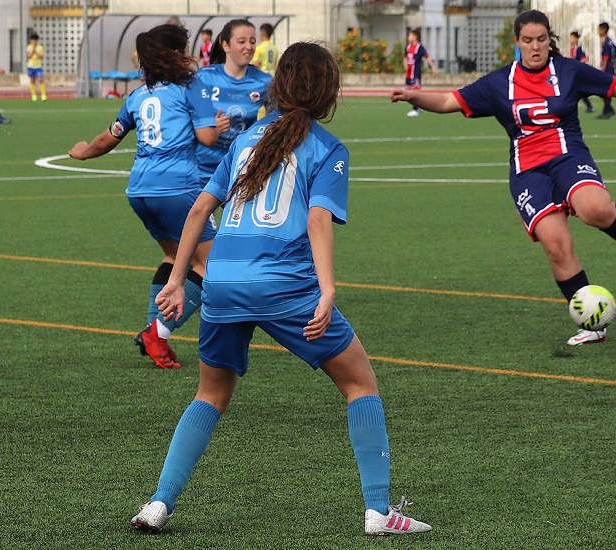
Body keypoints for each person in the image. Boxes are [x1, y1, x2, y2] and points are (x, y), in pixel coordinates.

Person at [129, 42, 432, 537]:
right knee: (359, 383)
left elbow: (200, 210)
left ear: (279, 86)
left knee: (210, 394)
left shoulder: (246, 140)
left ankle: (158, 503)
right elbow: (317, 218)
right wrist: (328, 288)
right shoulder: (328, 148)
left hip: (224, 282)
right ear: (329, 92)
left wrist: (181, 279)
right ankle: (378, 512)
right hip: (283, 285)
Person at [391, 9, 616, 346]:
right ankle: (592, 324)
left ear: (550, 39)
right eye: (527, 40)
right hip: (527, 172)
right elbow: (450, 101)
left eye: (541, 39)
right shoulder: (498, 83)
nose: (535, 47)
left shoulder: (570, 71)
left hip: (569, 157)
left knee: (596, 209)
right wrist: (416, 95)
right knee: (556, 246)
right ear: (516, 42)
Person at [68, 24, 225, 368]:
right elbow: (208, 138)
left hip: (140, 191)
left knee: (174, 258)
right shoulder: (190, 87)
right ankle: (158, 332)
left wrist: (82, 152)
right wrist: (217, 126)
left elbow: (109, 138)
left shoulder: (138, 96)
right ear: (177, 53)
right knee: (210, 266)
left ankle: (155, 337)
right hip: (177, 188)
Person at [195, 19, 271, 180]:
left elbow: (278, 118)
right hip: (202, 169)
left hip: (241, 167)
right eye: (242, 41)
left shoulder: (264, 81)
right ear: (225, 45)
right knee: (199, 206)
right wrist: (210, 128)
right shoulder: (204, 77)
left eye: (252, 42)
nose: (249, 47)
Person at [403, 28, 437, 117]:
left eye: (410, 36)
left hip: (416, 73)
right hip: (409, 74)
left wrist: (433, 67)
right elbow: (405, 58)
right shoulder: (408, 47)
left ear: (415, 37)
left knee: (415, 91)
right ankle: (419, 106)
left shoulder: (419, 47)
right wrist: (405, 67)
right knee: (408, 92)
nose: (408, 37)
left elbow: (427, 57)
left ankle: (416, 109)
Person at [597, 21, 616, 119]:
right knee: (606, 91)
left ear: (604, 30)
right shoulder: (610, 41)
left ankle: (608, 110)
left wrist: (603, 68)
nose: (598, 31)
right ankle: (608, 110)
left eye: (599, 29)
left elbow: (606, 57)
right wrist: (613, 59)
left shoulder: (606, 42)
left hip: (607, 70)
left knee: (603, 90)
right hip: (612, 68)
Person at [568, 31, 593, 113]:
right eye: (570, 38)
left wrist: (578, 64)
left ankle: (589, 105)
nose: (570, 39)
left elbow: (584, 58)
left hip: (578, 73)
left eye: (572, 38)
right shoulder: (572, 49)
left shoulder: (578, 48)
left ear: (576, 39)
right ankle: (587, 105)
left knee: (578, 90)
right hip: (574, 72)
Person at [26, 32, 47, 102]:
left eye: (35, 40)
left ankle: (43, 95)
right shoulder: (29, 47)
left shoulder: (40, 47)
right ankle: (34, 95)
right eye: (32, 40)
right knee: (32, 80)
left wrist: (36, 51)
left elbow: (41, 57)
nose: (34, 41)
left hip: (38, 66)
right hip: (31, 66)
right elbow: (28, 56)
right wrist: (32, 51)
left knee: (40, 79)